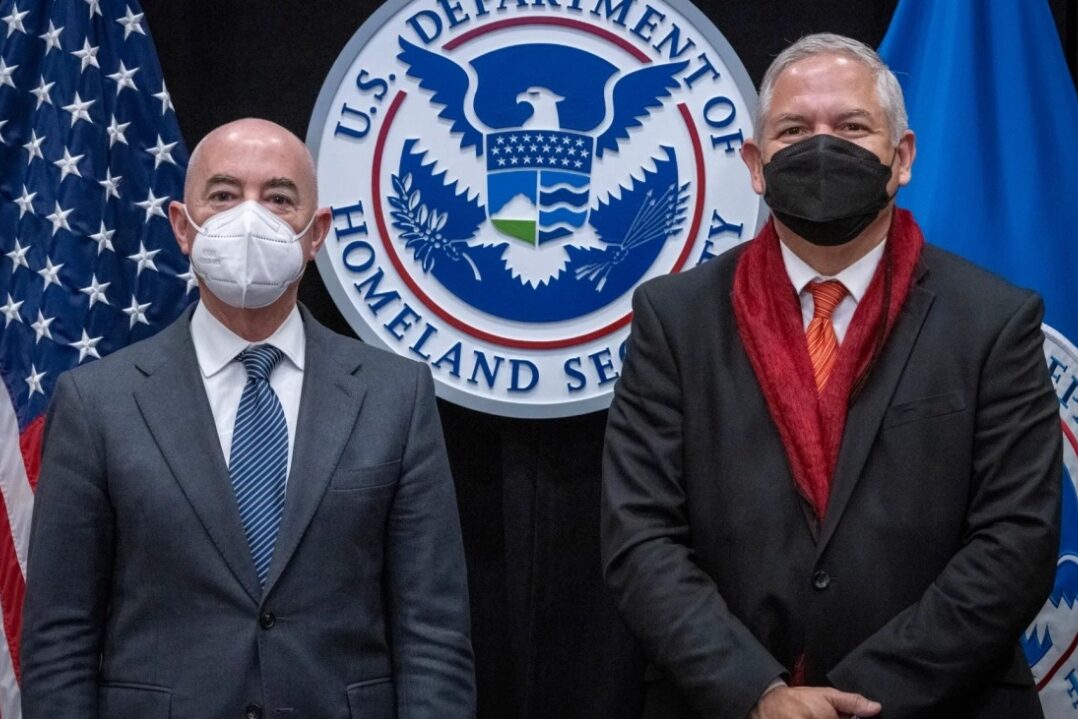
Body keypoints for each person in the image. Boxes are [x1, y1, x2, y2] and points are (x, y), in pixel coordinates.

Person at [601, 33, 1061, 719]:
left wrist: (856, 703)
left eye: (851, 128)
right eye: (793, 130)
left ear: (901, 157)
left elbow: (1016, 542)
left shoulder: (994, 321)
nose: (822, 148)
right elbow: (640, 538)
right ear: (755, 164)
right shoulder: (675, 320)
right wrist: (758, 693)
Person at [21, 118, 476, 719]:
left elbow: (434, 633)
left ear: (317, 233)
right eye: (224, 195)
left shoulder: (395, 395)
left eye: (279, 198)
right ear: (183, 226)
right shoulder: (95, 401)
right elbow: (60, 639)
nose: (250, 217)